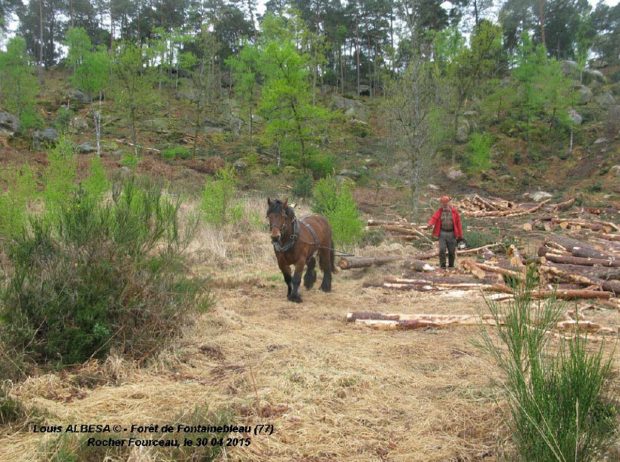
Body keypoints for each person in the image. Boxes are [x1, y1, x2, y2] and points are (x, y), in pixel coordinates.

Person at [428, 196, 463, 269]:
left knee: (451, 251)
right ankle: (442, 266)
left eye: (446, 203)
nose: (444, 205)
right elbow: (434, 218)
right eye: (443, 203)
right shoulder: (439, 211)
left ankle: (451, 266)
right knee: (442, 250)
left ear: (449, 203)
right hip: (442, 233)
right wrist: (430, 224)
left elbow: (458, 223)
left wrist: (460, 235)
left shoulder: (454, 212)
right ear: (441, 204)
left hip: (452, 233)